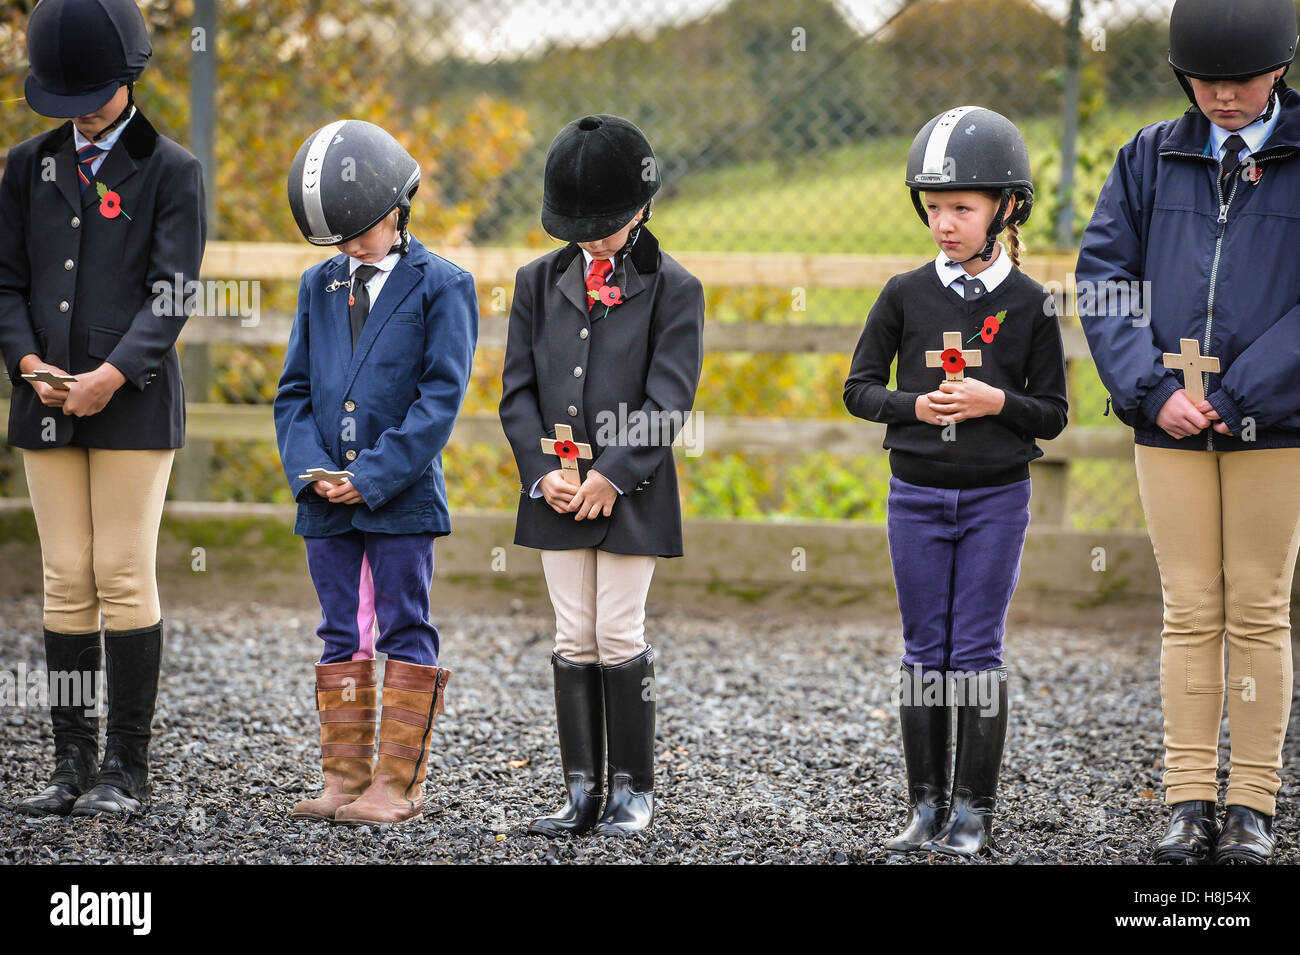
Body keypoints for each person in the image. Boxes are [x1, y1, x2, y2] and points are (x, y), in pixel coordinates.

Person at [1077, 0, 1300, 865]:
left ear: (1278, 69)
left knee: (1257, 605)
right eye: (1205, 82)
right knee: (1188, 610)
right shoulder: (1147, 157)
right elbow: (1102, 278)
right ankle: (1187, 797)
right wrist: (1149, 387)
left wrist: (1245, 385)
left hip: (1274, 422)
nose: (1223, 96)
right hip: (1167, 419)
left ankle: (1252, 801)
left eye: (1240, 81)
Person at [0, 0, 206, 818]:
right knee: (63, 575)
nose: (74, 114)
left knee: (121, 571)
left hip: (133, 400)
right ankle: (69, 761)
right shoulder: (25, 165)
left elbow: (173, 291)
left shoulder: (173, 170)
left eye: (86, 93)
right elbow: (6, 281)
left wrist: (110, 375)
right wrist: (27, 363)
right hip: (43, 395)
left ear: (125, 79)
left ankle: (126, 764)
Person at [844, 106, 1068, 857]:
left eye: (962, 209)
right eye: (934, 207)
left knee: (974, 648)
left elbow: (1054, 414)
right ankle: (925, 805)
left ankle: (971, 810)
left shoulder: (1032, 303)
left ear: (1005, 208)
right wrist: (915, 405)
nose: (945, 223)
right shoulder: (904, 294)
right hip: (915, 493)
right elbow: (860, 388)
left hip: (996, 499)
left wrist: (995, 401)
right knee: (923, 647)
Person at [499, 115, 705, 836]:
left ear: (642, 208)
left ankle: (632, 791)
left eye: (604, 227)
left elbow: (670, 399)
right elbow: (516, 391)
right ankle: (581, 789)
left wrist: (612, 475)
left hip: (634, 490)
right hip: (556, 488)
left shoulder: (676, 288)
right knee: (572, 631)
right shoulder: (536, 281)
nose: (589, 241)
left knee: (619, 630)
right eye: (579, 228)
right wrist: (539, 474)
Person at [276, 119, 478, 826]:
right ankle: (344, 776)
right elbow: (294, 390)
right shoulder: (317, 286)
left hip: (401, 495)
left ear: (400, 206)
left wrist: (376, 473)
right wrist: (313, 471)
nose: (350, 246)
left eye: (361, 230)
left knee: (403, 624)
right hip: (325, 498)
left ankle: (398, 782)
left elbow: (440, 397)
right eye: (339, 238)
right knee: (340, 629)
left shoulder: (444, 286)